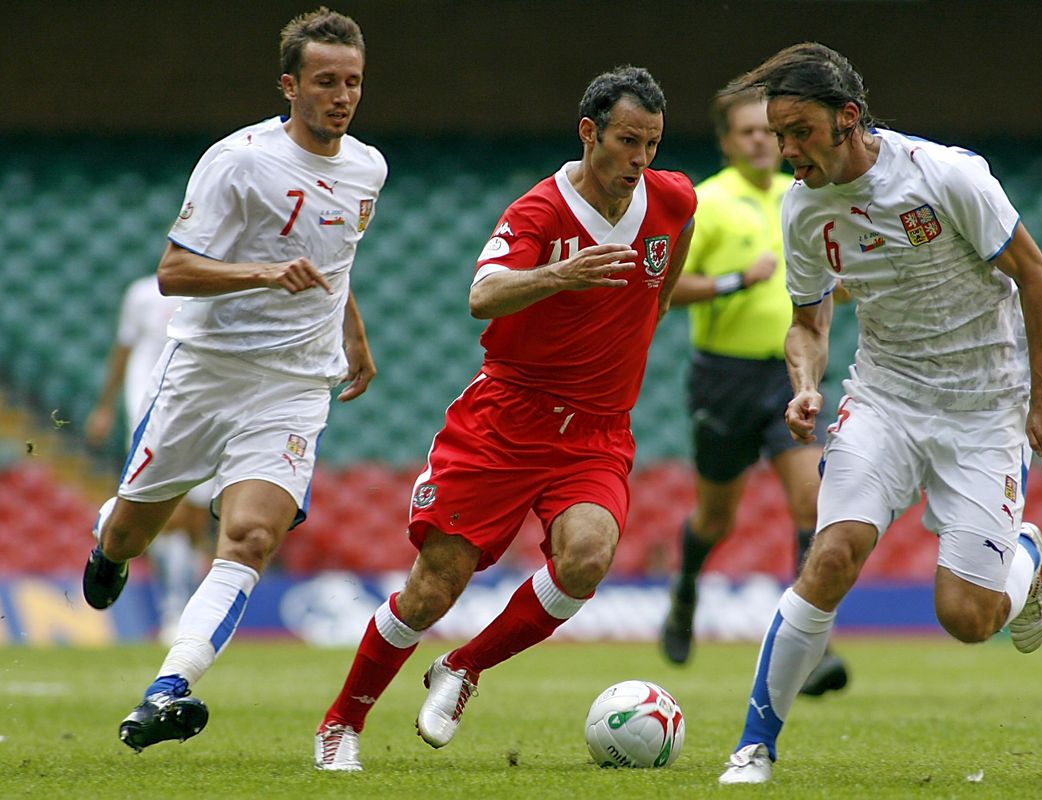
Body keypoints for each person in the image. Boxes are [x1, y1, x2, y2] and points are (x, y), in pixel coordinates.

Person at [715, 43, 1042, 785]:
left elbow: (1035, 274)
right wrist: (804, 380)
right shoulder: (802, 208)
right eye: (777, 132)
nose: (786, 150)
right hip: (886, 396)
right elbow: (808, 322)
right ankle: (755, 744)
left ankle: (1027, 556)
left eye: (799, 131)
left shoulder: (944, 176)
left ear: (848, 119)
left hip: (985, 406)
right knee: (831, 556)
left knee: (967, 618)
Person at [313, 65, 697, 772]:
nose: (640, 160)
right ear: (590, 133)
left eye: (652, 143)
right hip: (505, 420)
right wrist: (562, 275)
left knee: (587, 559)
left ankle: (463, 668)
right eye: (626, 141)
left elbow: (666, 268)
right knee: (432, 590)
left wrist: (653, 305)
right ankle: (341, 723)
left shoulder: (672, 199)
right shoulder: (540, 212)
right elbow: (482, 294)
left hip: (596, 432)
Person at [80, 7, 386, 753]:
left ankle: (169, 685)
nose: (340, 96)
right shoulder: (238, 161)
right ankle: (107, 548)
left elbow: (334, 258)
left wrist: (355, 334)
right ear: (289, 85)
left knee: (249, 535)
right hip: (205, 375)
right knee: (133, 529)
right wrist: (262, 273)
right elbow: (173, 271)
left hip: (293, 384)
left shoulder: (368, 167)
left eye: (352, 82)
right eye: (324, 82)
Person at [659, 87, 848, 696]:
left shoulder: (809, 196)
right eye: (746, 132)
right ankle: (685, 590)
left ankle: (809, 645)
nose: (761, 140)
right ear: (726, 142)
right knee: (717, 517)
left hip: (790, 377)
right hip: (724, 377)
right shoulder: (707, 204)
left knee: (811, 503)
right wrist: (737, 280)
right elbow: (665, 289)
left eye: (767, 130)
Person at [86, 274, 216, 646]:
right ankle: (173, 610)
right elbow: (124, 350)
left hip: (203, 408)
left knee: (193, 518)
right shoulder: (143, 294)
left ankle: (183, 604)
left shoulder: (216, 290)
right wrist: (106, 406)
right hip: (151, 408)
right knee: (167, 515)